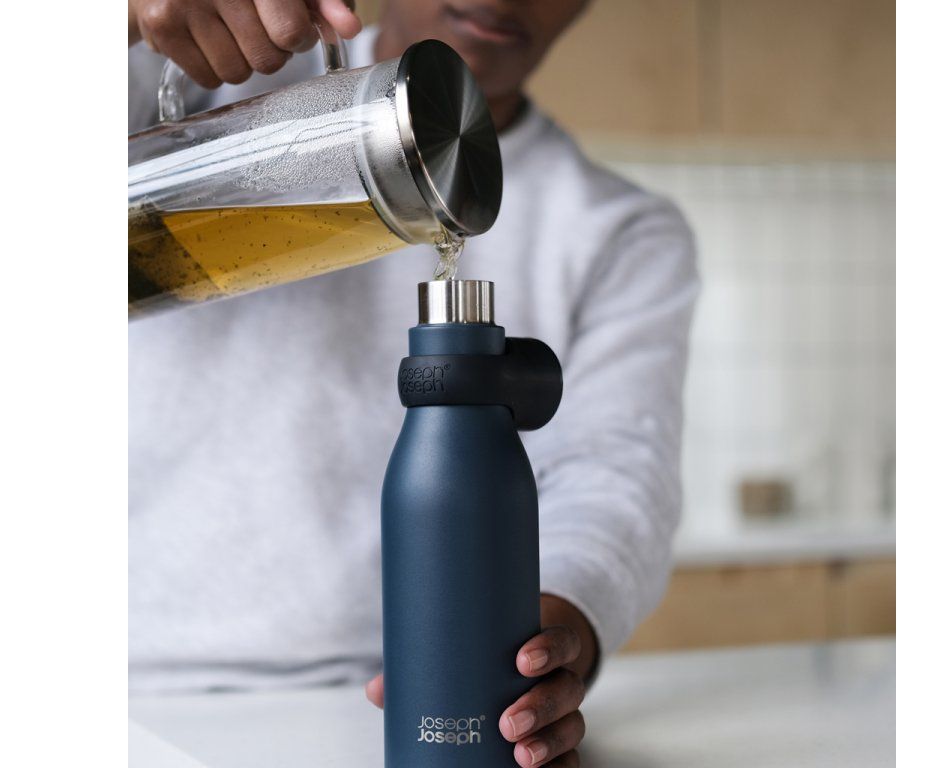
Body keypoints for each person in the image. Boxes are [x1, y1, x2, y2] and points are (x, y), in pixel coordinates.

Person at [128, 2, 699, 766]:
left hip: (396, 704)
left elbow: (617, 477)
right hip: (127, 689)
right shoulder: (198, 85)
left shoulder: (621, 231)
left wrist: (544, 647)